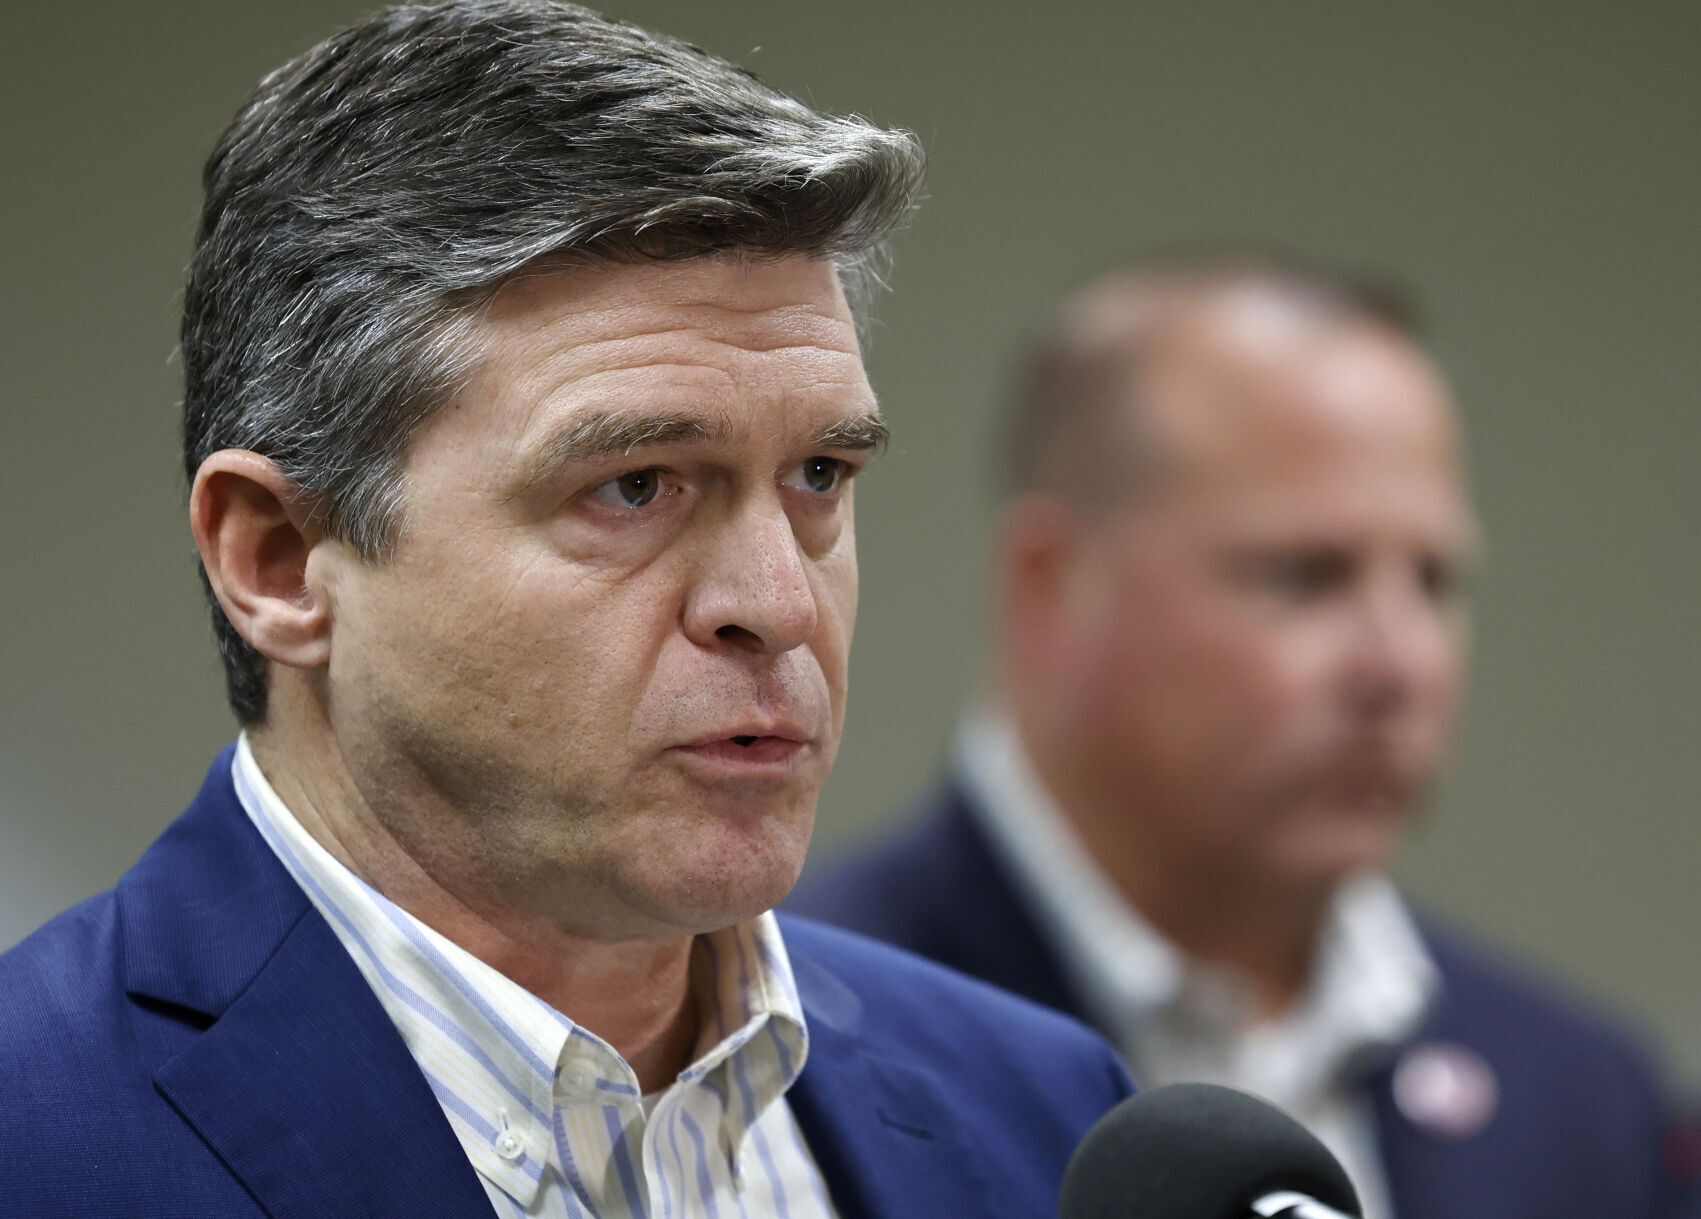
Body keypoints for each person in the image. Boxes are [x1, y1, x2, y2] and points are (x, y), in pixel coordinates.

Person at [0, 4, 1132, 1215]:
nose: (778, 604)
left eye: (819, 477)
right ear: (278, 562)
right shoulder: (33, 1132)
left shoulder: (1047, 1113)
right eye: (634, 487)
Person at [788, 250, 1678, 1218]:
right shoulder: (785, 1052)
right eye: (1307, 575)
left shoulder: (1583, 1102)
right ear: (1052, 589)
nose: (1400, 664)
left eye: (1434, 581)